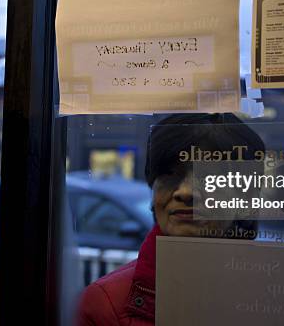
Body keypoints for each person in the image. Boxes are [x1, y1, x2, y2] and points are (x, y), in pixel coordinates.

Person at [75, 113, 265, 325]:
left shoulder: (280, 292)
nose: (185, 192)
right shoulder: (105, 304)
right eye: (169, 174)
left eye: (210, 177)